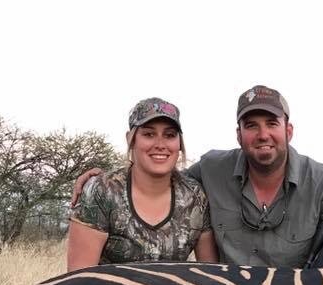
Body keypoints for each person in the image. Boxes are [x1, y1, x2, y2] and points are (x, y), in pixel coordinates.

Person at [72, 85, 323, 269]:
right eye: (251, 125)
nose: (262, 134)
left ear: (289, 130)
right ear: (239, 134)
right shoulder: (210, 171)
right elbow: (158, 177)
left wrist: (321, 280)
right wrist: (99, 180)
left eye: (271, 123)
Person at [67, 97, 218, 271]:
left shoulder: (195, 196)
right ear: (130, 139)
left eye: (169, 135)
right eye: (149, 134)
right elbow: (79, 278)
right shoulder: (102, 191)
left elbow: (210, 273)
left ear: (179, 143)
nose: (160, 145)